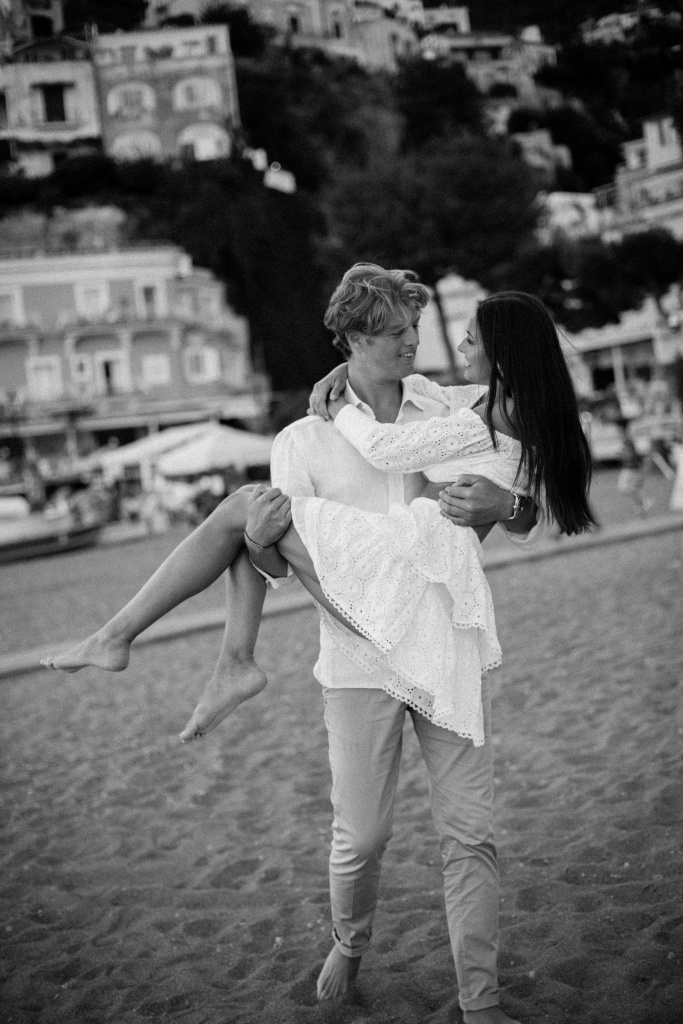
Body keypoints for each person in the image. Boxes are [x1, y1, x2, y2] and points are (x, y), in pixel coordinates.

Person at [43, 265, 594, 1023]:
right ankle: (349, 941)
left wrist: (511, 503)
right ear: (354, 339)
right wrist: (260, 541)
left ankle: (481, 1002)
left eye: (415, 328)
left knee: (471, 835)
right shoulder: (301, 438)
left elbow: (530, 481)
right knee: (360, 839)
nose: (416, 343)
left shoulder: (450, 402)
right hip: (358, 650)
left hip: (445, 641)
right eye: (396, 332)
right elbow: (276, 565)